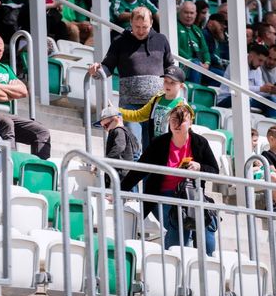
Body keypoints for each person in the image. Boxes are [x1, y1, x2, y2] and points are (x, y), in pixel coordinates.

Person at [120, 104, 219, 253]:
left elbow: (214, 170)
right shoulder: (159, 143)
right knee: (179, 221)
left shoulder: (200, 143)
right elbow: (139, 170)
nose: (177, 124)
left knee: (206, 224)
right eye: (173, 120)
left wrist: (199, 167)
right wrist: (118, 190)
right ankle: (172, 260)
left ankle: (206, 261)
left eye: (182, 120)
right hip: (162, 196)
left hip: (191, 196)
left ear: (190, 122)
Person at [88, 7, 173, 152]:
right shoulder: (119, 41)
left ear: (151, 23)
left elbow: (169, 67)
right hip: (130, 105)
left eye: (144, 27)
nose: (140, 31)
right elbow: (108, 66)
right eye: (137, 27)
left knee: (153, 150)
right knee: (133, 147)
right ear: (130, 23)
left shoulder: (161, 40)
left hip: (156, 104)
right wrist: (97, 71)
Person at [0, 34, 51, 159]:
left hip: (7, 114)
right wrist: (9, 91)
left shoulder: (5, 68)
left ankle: (38, 168)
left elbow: (23, 91)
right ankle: (11, 165)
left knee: (41, 131)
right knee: (6, 123)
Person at [119, 66, 187, 144]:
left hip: (171, 148)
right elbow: (138, 115)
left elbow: (184, 134)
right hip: (155, 145)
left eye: (172, 82)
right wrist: (117, 112)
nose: (168, 85)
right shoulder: (156, 99)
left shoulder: (183, 106)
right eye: (165, 81)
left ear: (181, 86)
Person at [217, 44, 276, 118]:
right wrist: (261, 88)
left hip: (247, 99)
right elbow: (237, 88)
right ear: (251, 56)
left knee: (271, 100)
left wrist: (269, 91)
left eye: (263, 61)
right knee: (244, 98)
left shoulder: (258, 69)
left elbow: (259, 92)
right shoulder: (237, 64)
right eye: (260, 60)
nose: (261, 64)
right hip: (227, 99)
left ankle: (272, 124)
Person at [94, 106, 139, 187]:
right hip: (127, 173)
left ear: (116, 119)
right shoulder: (128, 132)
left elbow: (119, 147)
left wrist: (104, 162)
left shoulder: (118, 130)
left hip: (120, 174)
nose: (105, 129)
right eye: (103, 127)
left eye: (106, 125)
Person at [251, 128, 276, 213]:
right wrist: (257, 167)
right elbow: (243, 169)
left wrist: (259, 165)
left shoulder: (253, 153)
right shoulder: (241, 153)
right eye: (254, 141)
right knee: (273, 176)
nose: (256, 143)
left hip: (260, 174)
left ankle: (272, 205)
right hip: (250, 176)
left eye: (256, 141)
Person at [177, 1, 210, 84]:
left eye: (191, 13)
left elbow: (205, 50)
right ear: (179, 12)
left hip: (198, 64)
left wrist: (207, 63)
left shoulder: (197, 30)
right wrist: (191, 60)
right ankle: (194, 89)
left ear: (195, 14)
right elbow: (175, 47)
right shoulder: (174, 26)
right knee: (195, 64)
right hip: (181, 64)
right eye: (186, 12)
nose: (189, 16)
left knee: (219, 73)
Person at [202, 13, 229, 83]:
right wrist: (220, 61)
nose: (223, 26)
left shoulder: (220, 38)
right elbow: (206, 54)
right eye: (220, 23)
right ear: (210, 23)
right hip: (208, 67)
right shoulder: (204, 34)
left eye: (224, 24)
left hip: (218, 68)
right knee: (226, 77)